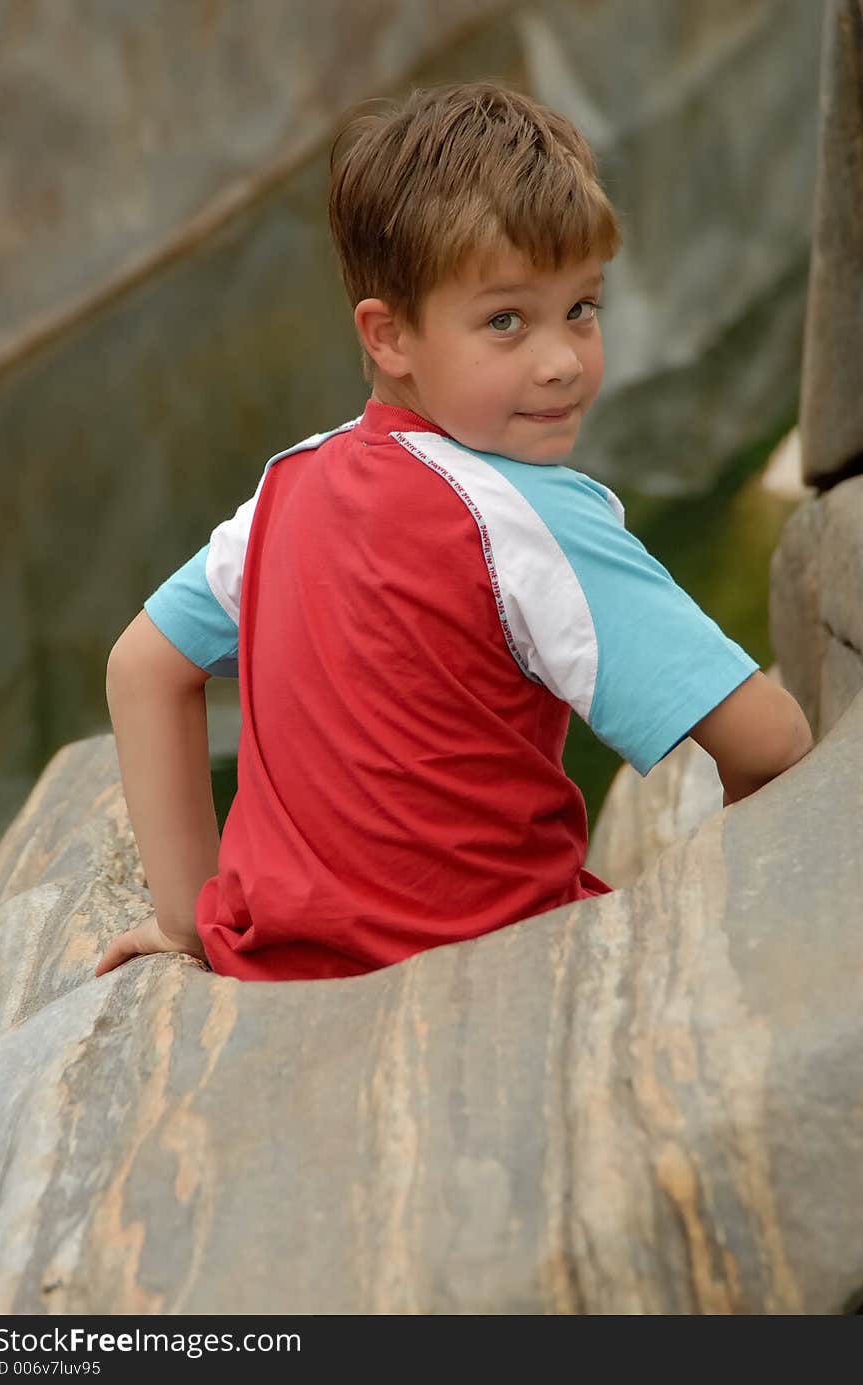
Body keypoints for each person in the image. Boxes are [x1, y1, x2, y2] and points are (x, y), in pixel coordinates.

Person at [96, 81, 813, 981]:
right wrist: (745, 916)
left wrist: (191, 923)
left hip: (277, 969)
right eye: (505, 321)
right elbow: (772, 742)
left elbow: (143, 666)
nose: (561, 362)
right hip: (500, 972)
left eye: (581, 309)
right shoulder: (531, 517)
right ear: (389, 336)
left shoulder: (286, 490)